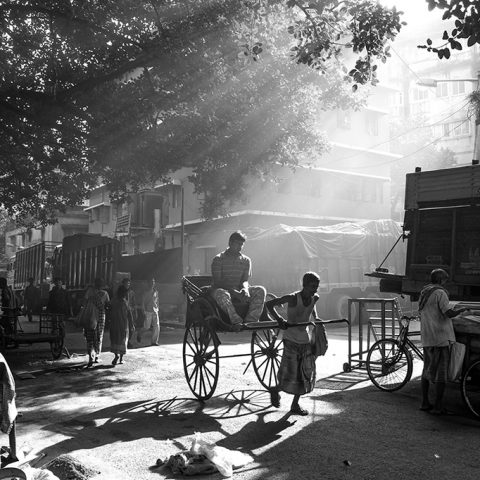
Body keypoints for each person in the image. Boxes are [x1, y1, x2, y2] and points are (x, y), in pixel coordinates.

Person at [265, 271, 323, 416]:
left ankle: (294, 405)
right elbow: (269, 304)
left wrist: (316, 319)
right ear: (304, 286)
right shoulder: (292, 298)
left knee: (304, 374)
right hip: (290, 339)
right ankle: (276, 389)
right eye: (312, 287)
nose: (315, 290)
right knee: (290, 373)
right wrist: (279, 320)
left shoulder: (314, 298)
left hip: (304, 339)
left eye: (316, 286)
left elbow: (312, 310)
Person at [418, 268, 469, 415]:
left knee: (426, 370)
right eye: (445, 280)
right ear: (441, 280)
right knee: (441, 372)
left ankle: (425, 402)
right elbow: (448, 313)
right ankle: (438, 406)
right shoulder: (440, 293)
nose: (445, 283)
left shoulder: (424, 292)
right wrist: (462, 310)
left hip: (428, 337)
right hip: (440, 338)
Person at [211, 231, 266, 326]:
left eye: (242, 244)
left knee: (261, 290)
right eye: (237, 244)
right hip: (221, 290)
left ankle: (251, 321)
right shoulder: (218, 259)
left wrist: (245, 289)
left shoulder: (246, 260)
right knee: (222, 294)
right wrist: (234, 292)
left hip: (239, 289)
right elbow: (218, 282)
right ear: (230, 243)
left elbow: (245, 280)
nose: (240, 247)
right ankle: (236, 321)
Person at [82, 278, 110, 367]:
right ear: (102, 285)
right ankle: (97, 356)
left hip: (90, 315)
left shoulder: (90, 292)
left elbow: (84, 302)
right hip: (101, 316)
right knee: (99, 335)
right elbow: (108, 305)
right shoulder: (105, 293)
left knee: (90, 335)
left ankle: (90, 357)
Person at [109, 284, 133, 366]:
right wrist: (132, 324)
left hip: (114, 323)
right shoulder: (125, 302)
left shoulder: (113, 301)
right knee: (123, 340)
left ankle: (116, 355)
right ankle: (121, 358)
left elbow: (108, 308)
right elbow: (129, 314)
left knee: (115, 339)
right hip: (123, 324)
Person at [139, 279, 160, 346]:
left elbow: (157, 300)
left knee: (156, 326)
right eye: (151, 282)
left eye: (153, 282)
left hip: (155, 310)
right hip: (148, 311)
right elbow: (142, 302)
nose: (152, 283)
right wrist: (143, 310)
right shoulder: (145, 292)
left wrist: (158, 308)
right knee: (147, 327)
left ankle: (154, 342)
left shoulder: (156, 292)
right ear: (148, 283)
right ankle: (139, 333)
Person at [122, 278, 137, 348]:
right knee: (123, 328)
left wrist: (135, 311)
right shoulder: (120, 292)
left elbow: (134, 303)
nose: (127, 285)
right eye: (126, 283)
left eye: (128, 283)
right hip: (122, 312)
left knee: (131, 327)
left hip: (130, 312)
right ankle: (124, 341)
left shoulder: (131, 292)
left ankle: (128, 341)